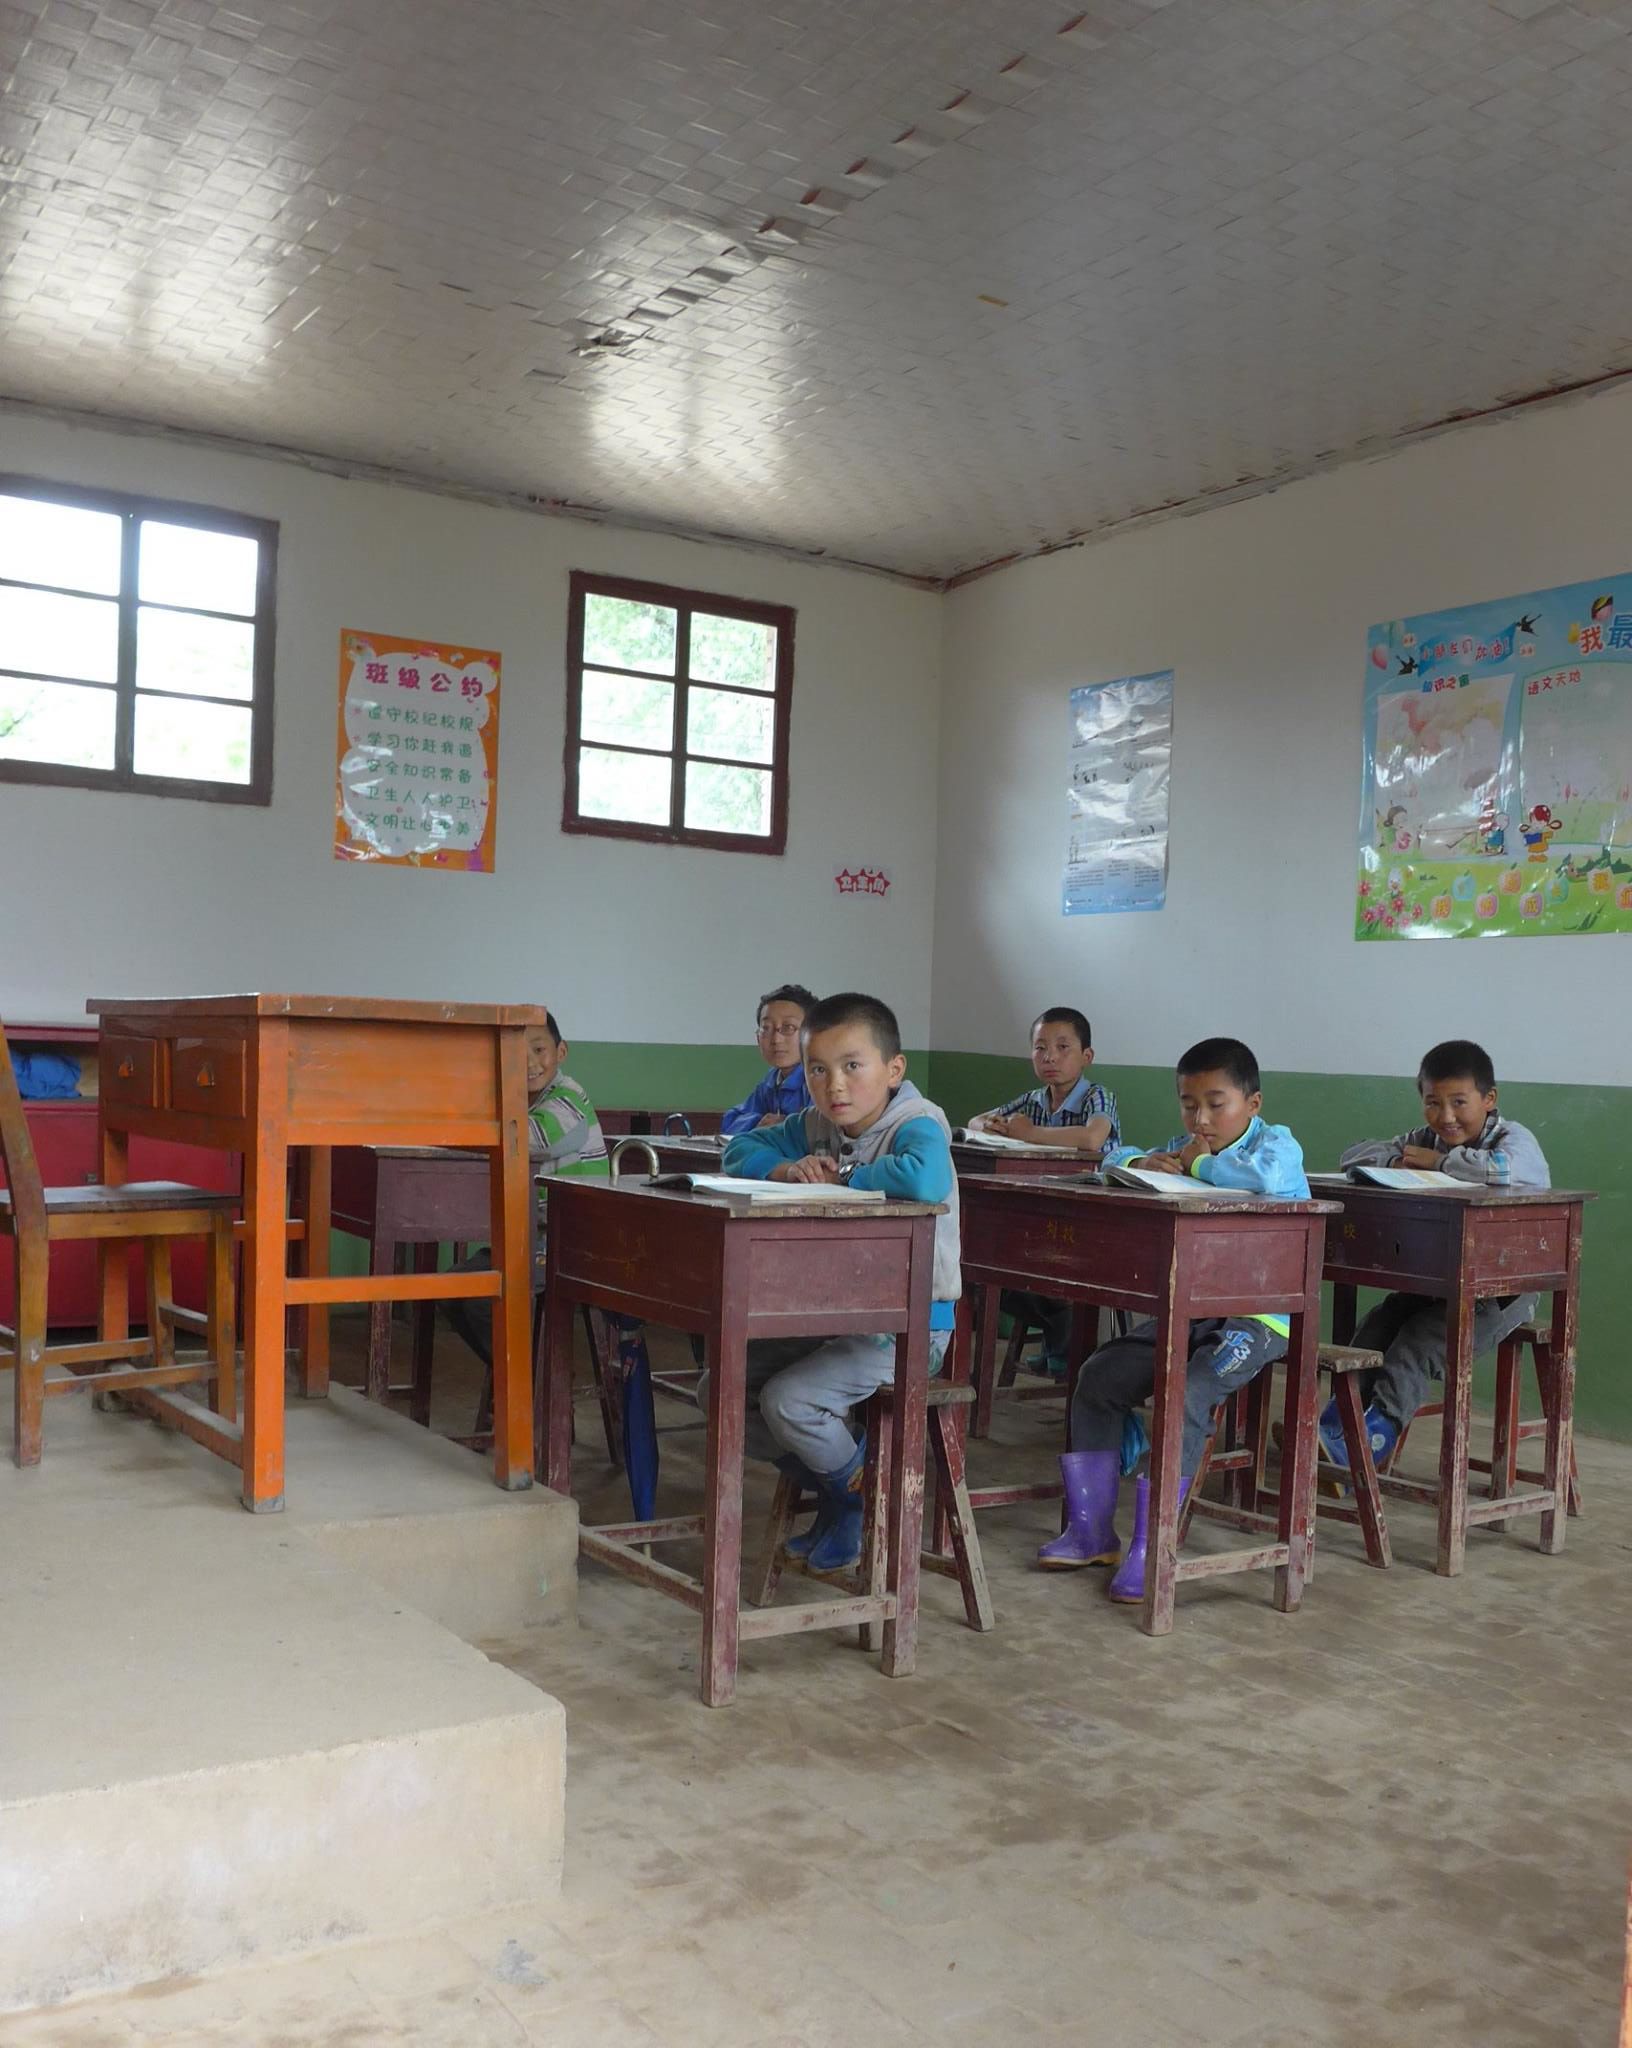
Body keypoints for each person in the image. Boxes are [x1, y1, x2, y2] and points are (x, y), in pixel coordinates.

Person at [1038, 1036, 1308, 1603]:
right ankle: (1091, 1532)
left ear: (1253, 1104)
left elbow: (1261, 1179)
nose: (1200, 1119)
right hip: (1191, 1311)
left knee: (1184, 1393)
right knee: (1097, 1378)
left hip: (1257, 1320)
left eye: (1216, 1104)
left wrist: (1196, 1162)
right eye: (1189, 1105)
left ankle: (1152, 1546)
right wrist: (1141, 1162)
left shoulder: (1276, 1146)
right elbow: (1112, 1157)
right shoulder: (1186, 1146)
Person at [718, 992, 960, 1573]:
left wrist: (842, 1174)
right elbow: (738, 1152)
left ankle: (853, 1498)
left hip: (908, 1327)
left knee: (788, 1400)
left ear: (894, 1069)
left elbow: (924, 1180)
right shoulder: (814, 1125)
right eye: (818, 1070)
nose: (835, 1085)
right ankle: (849, 1478)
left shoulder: (917, 1122)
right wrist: (786, 1168)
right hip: (833, 1318)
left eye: (853, 1065)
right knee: (720, 1391)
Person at [1324, 1038, 1550, 1472]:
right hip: (1439, 1282)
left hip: (1501, 1294)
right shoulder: (1424, 1139)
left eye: (1459, 1102)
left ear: (1489, 1099)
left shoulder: (1513, 1139)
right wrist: (1396, 1162)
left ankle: (1369, 1443)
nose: (1445, 1117)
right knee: (1376, 1326)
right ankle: (1333, 1428)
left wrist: (1439, 1164)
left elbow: (1510, 1171)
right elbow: (1354, 1154)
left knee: (1416, 1344)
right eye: (1432, 1103)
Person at [967, 1006, 1119, 1376]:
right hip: (1040, 1214)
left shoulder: (1097, 1096)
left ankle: (1065, 1343)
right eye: (1040, 1048)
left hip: (1093, 1217)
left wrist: (1031, 1134)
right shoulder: (1033, 1100)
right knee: (983, 1269)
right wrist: (994, 1125)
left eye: (1063, 1047)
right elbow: (974, 1122)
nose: (1050, 1057)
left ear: (1086, 1056)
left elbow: (1092, 1137)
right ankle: (1057, 1330)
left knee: (1055, 1275)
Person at [718, 983, 818, 1134]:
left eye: (788, 1027)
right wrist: (759, 1122)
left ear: (813, 1034)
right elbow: (731, 1121)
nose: (776, 1039)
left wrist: (787, 1125)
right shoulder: (772, 1081)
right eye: (766, 1028)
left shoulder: (818, 1079)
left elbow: (822, 1129)